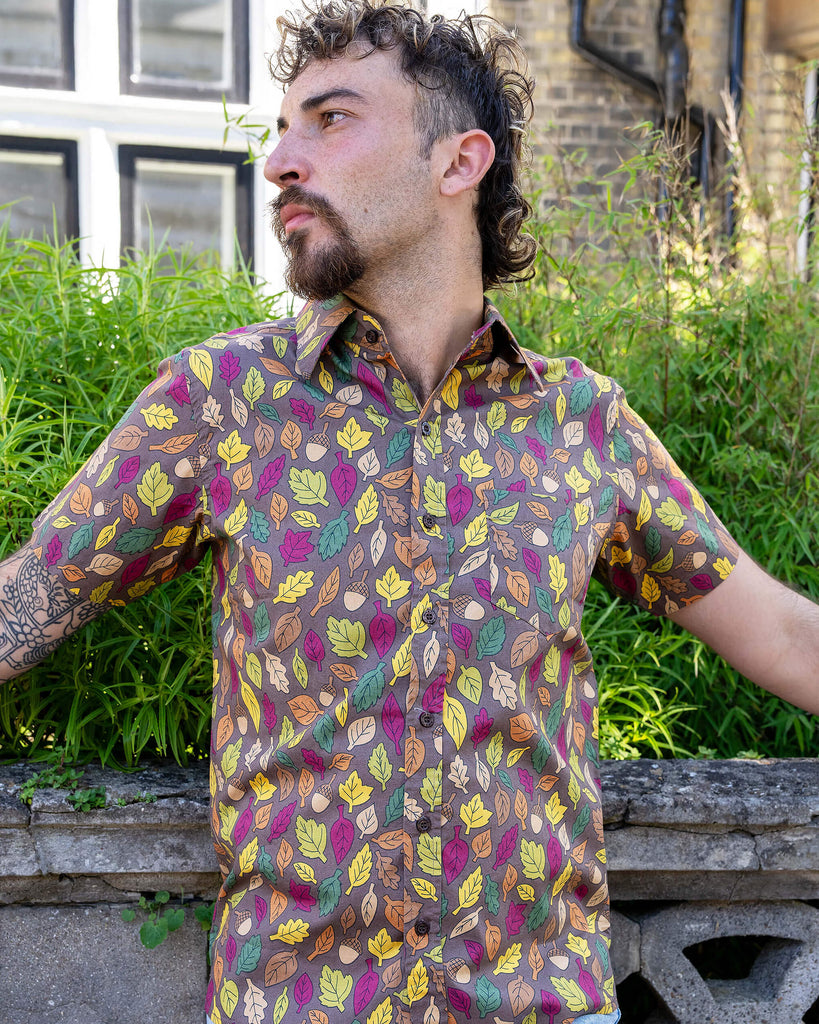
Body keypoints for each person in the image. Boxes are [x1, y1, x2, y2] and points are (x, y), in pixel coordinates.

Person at [1, 2, 817, 1022]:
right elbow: (25, 600)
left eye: (329, 120)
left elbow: (780, 630)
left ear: (458, 161)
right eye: (282, 129)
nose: (281, 162)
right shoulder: (218, 405)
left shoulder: (582, 424)